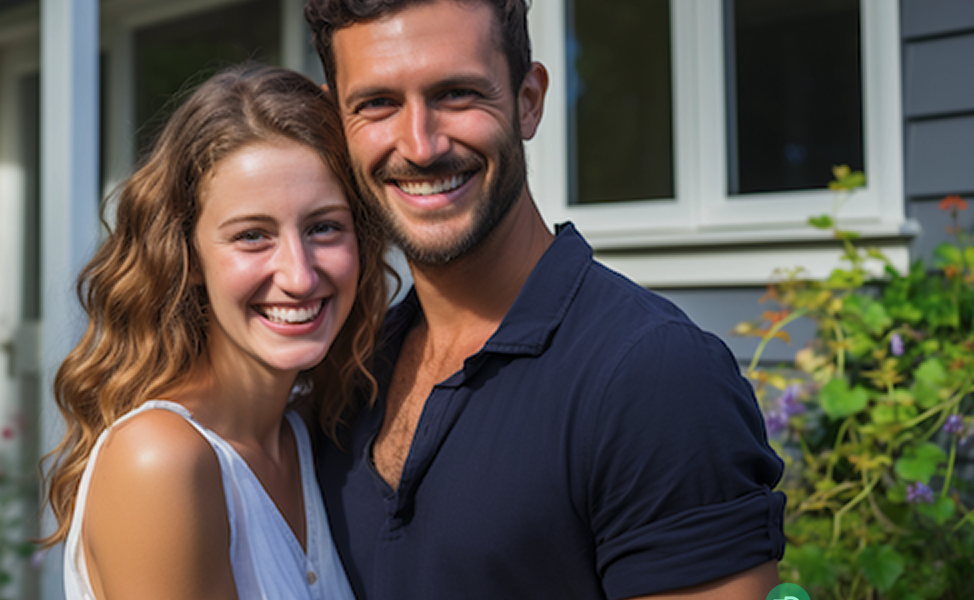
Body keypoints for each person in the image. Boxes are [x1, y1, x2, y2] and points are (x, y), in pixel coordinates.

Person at [303, 1, 787, 598]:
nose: (421, 145)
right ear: (336, 122)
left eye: (456, 93)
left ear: (528, 100)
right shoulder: (348, 369)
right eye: (377, 104)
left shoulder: (653, 377)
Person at [40, 63, 389, 600]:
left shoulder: (307, 436)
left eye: (324, 227)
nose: (299, 275)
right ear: (188, 257)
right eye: (252, 236)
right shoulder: (161, 460)